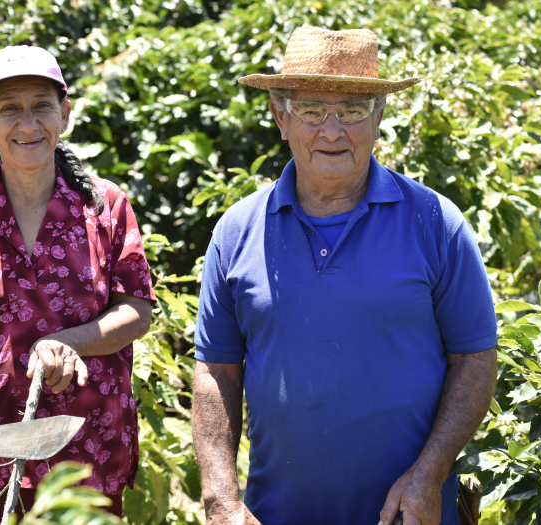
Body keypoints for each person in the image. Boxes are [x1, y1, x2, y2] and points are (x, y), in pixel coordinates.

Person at [192, 26, 498, 525]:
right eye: (312, 111)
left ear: (379, 118)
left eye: (353, 111)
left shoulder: (435, 223)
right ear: (280, 116)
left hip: (407, 515)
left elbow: (474, 356)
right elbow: (215, 373)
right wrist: (220, 501)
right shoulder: (238, 231)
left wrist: (429, 472)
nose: (332, 131)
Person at [0, 46, 156, 525]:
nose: (28, 124)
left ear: (64, 114)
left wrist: (68, 342)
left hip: (86, 448)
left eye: (41, 106)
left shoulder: (105, 206)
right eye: (9, 109)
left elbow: (137, 310)